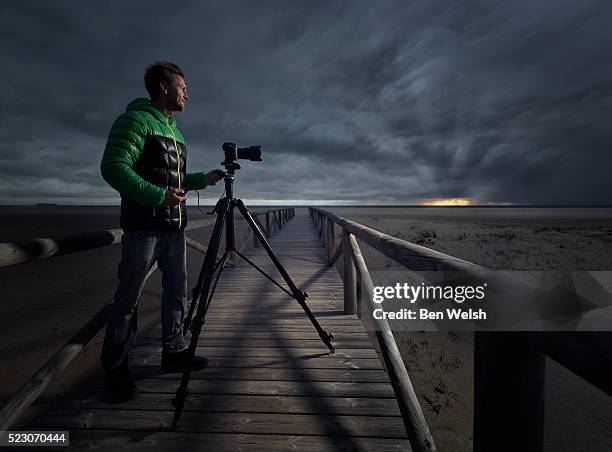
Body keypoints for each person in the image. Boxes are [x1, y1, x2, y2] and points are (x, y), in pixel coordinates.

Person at [99, 61, 224, 401]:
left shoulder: (174, 131)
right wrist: (158, 196)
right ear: (163, 87)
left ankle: (174, 350)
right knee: (128, 298)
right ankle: (115, 367)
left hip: (174, 228)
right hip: (143, 229)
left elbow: (172, 179)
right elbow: (113, 167)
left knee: (177, 292)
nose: (187, 94)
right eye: (182, 87)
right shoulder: (135, 120)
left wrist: (202, 179)